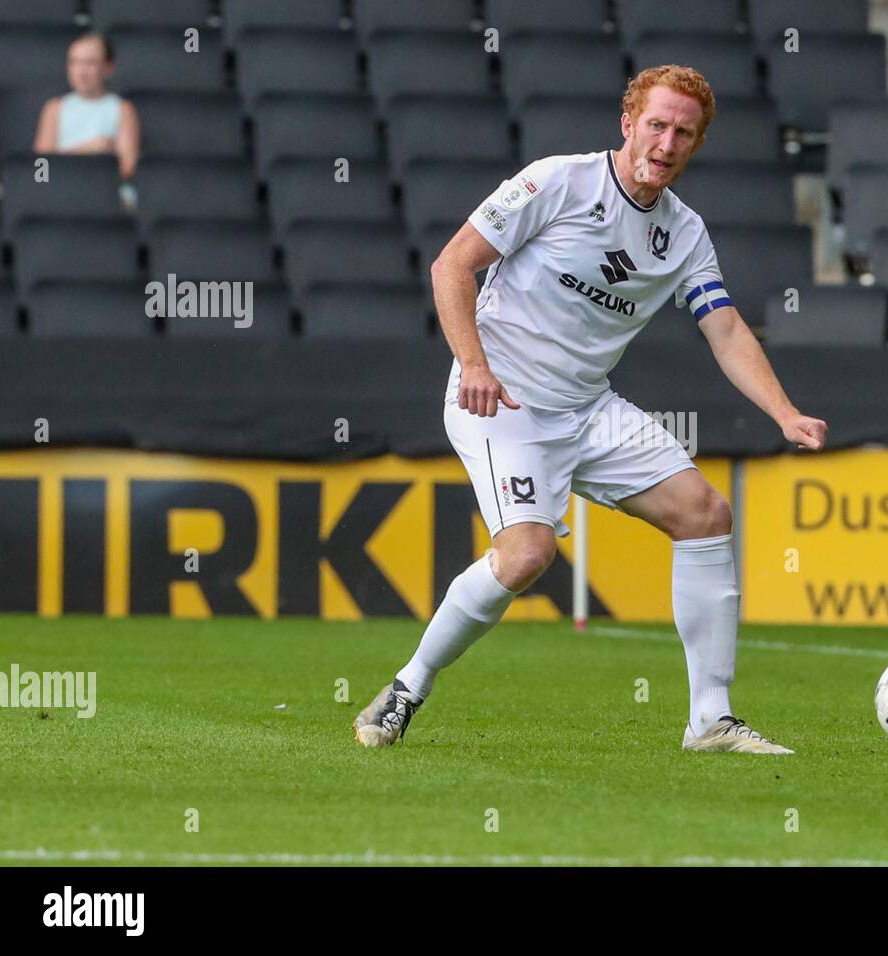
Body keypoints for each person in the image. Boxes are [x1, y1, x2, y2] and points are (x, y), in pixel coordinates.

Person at [354, 65, 827, 753]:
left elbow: (724, 328)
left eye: (684, 134)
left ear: (696, 145)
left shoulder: (685, 234)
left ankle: (709, 721)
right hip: (503, 398)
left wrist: (784, 413)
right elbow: (452, 266)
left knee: (706, 515)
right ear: (628, 123)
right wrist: (477, 366)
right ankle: (407, 688)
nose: (666, 143)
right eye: (657, 125)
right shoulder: (557, 181)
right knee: (527, 554)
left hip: (587, 407)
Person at [33, 32, 140, 181]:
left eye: (90, 63)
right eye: (74, 62)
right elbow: (41, 167)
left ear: (108, 68)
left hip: (104, 188)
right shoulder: (55, 107)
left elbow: (127, 167)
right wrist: (90, 150)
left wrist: (65, 157)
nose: (81, 71)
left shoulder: (123, 109)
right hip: (60, 186)